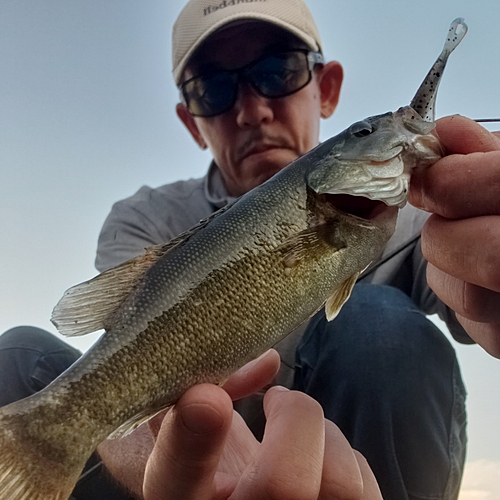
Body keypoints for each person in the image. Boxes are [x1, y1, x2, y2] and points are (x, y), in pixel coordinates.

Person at [1, 1, 499, 499]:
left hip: (356, 459)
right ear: (192, 121)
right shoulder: (144, 217)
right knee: (19, 355)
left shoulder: (418, 212)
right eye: (213, 88)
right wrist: (173, 468)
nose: (252, 109)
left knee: (377, 321)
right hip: (193, 459)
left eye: (277, 70)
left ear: (326, 90)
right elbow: (124, 355)